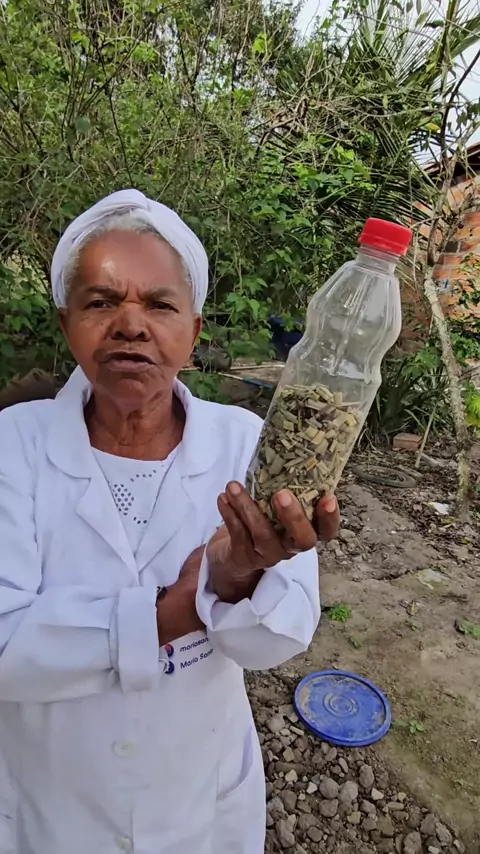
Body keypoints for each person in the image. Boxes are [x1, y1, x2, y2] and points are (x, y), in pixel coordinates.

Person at [0, 189, 340, 854]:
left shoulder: (248, 443)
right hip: (52, 806)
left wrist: (240, 580)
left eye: (160, 305)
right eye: (101, 302)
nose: (130, 324)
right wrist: (181, 607)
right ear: (67, 322)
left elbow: (279, 639)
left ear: (195, 329)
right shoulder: (12, 444)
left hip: (198, 803)